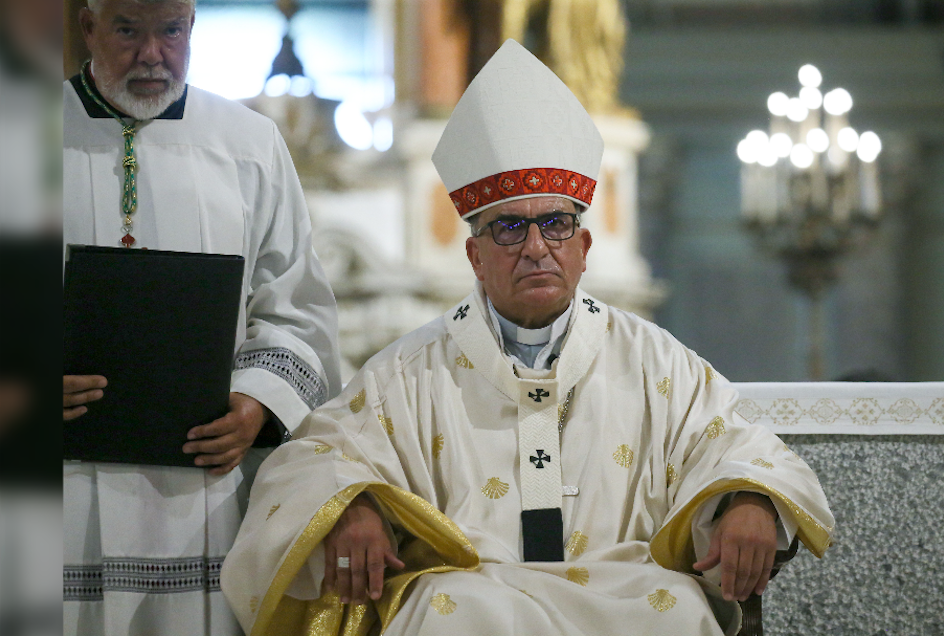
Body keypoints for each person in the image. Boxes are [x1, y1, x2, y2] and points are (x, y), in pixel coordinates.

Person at [221, 39, 832, 636]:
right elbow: (312, 457)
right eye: (510, 227)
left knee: (676, 607)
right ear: (474, 255)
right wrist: (350, 505)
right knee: (446, 612)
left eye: (556, 224)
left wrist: (749, 501)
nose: (537, 247)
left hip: (626, 590)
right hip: (471, 590)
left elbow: (737, 445)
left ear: (584, 248)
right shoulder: (409, 372)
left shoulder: (654, 362)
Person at [62, 0, 341, 634]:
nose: (152, 55)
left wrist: (257, 403)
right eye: (128, 30)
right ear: (88, 27)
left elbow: (295, 306)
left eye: (171, 31)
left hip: (205, 495)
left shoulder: (248, 143)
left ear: (192, 29)